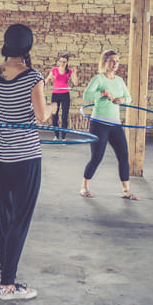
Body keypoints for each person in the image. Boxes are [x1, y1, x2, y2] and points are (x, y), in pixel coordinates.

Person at [0, 23, 51, 300]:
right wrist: (52, 107)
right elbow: (41, 116)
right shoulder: (33, 77)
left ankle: (3, 270)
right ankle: (7, 285)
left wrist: (1, 105)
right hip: (26, 157)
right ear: (28, 47)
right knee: (20, 219)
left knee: (5, 217)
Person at [80, 49, 138, 200]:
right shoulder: (98, 79)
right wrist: (103, 93)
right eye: (112, 61)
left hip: (115, 124)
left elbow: (129, 97)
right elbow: (86, 95)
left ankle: (126, 190)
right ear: (105, 62)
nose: (115, 64)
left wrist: (122, 100)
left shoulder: (119, 81)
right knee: (97, 157)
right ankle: (84, 187)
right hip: (99, 123)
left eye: (117, 61)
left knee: (124, 155)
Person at [45, 53, 78, 139]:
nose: (62, 63)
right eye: (61, 61)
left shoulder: (69, 71)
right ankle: (56, 135)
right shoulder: (54, 70)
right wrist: (49, 78)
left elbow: (75, 83)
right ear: (59, 61)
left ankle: (63, 137)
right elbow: (46, 82)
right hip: (55, 94)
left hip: (65, 95)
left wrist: (74, 73)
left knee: (64, 116)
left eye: (64, 62)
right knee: (54, 116)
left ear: (67, 62)